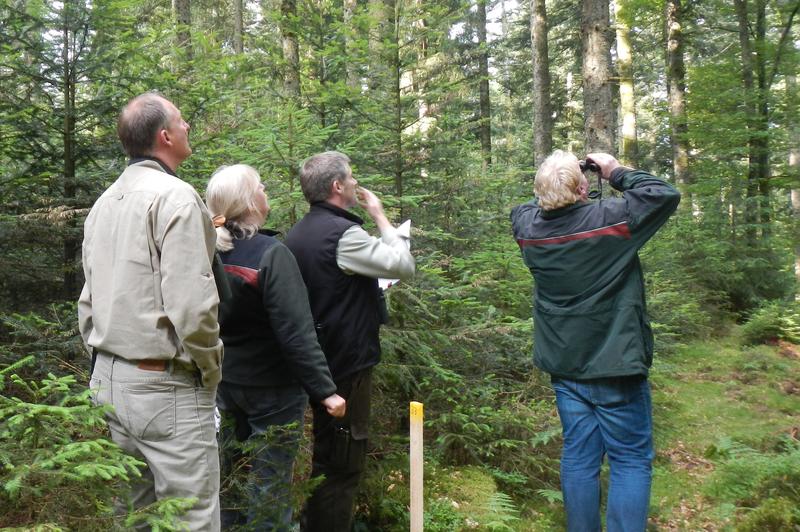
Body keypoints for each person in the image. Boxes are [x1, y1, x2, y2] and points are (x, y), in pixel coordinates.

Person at [510, 151, 680, 532]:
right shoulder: (610, 220)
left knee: (580, 456)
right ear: (584, 188)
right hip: (615, 364)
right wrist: (613, 170)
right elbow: (663, 194)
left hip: (565, 365)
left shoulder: (527, 230)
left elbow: (525, 207)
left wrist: (556, 183)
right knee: (630, 459)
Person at [78, 92, 224, 530]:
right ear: (165, 136)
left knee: (133, 518)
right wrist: (211, 367)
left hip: (109, 381)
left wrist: (103, 364)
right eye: (182, 121)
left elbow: (88, 300)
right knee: (190, 518)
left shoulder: (104, 204)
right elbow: (191, 305)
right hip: (166, 385)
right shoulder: (176, 198)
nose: (188, 128)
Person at [204, 164, 346, 530]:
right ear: (250, 201)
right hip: (274, 390)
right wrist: (326, 391)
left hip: (222, 384)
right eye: (261, 187)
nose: (266, 192)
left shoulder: (206, 252)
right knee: (270, 486)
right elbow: (295, 331)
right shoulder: (271, 254)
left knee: (227, 482)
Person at [283, 151, 415, 531]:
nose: (357, 184)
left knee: (328, 460)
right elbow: (403, 265)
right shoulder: (344, 235)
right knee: (342, 467)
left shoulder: (300, 232)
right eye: (352, 178)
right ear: (337, 186)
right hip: (345, 365)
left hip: (321, 362)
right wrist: (380, 216)